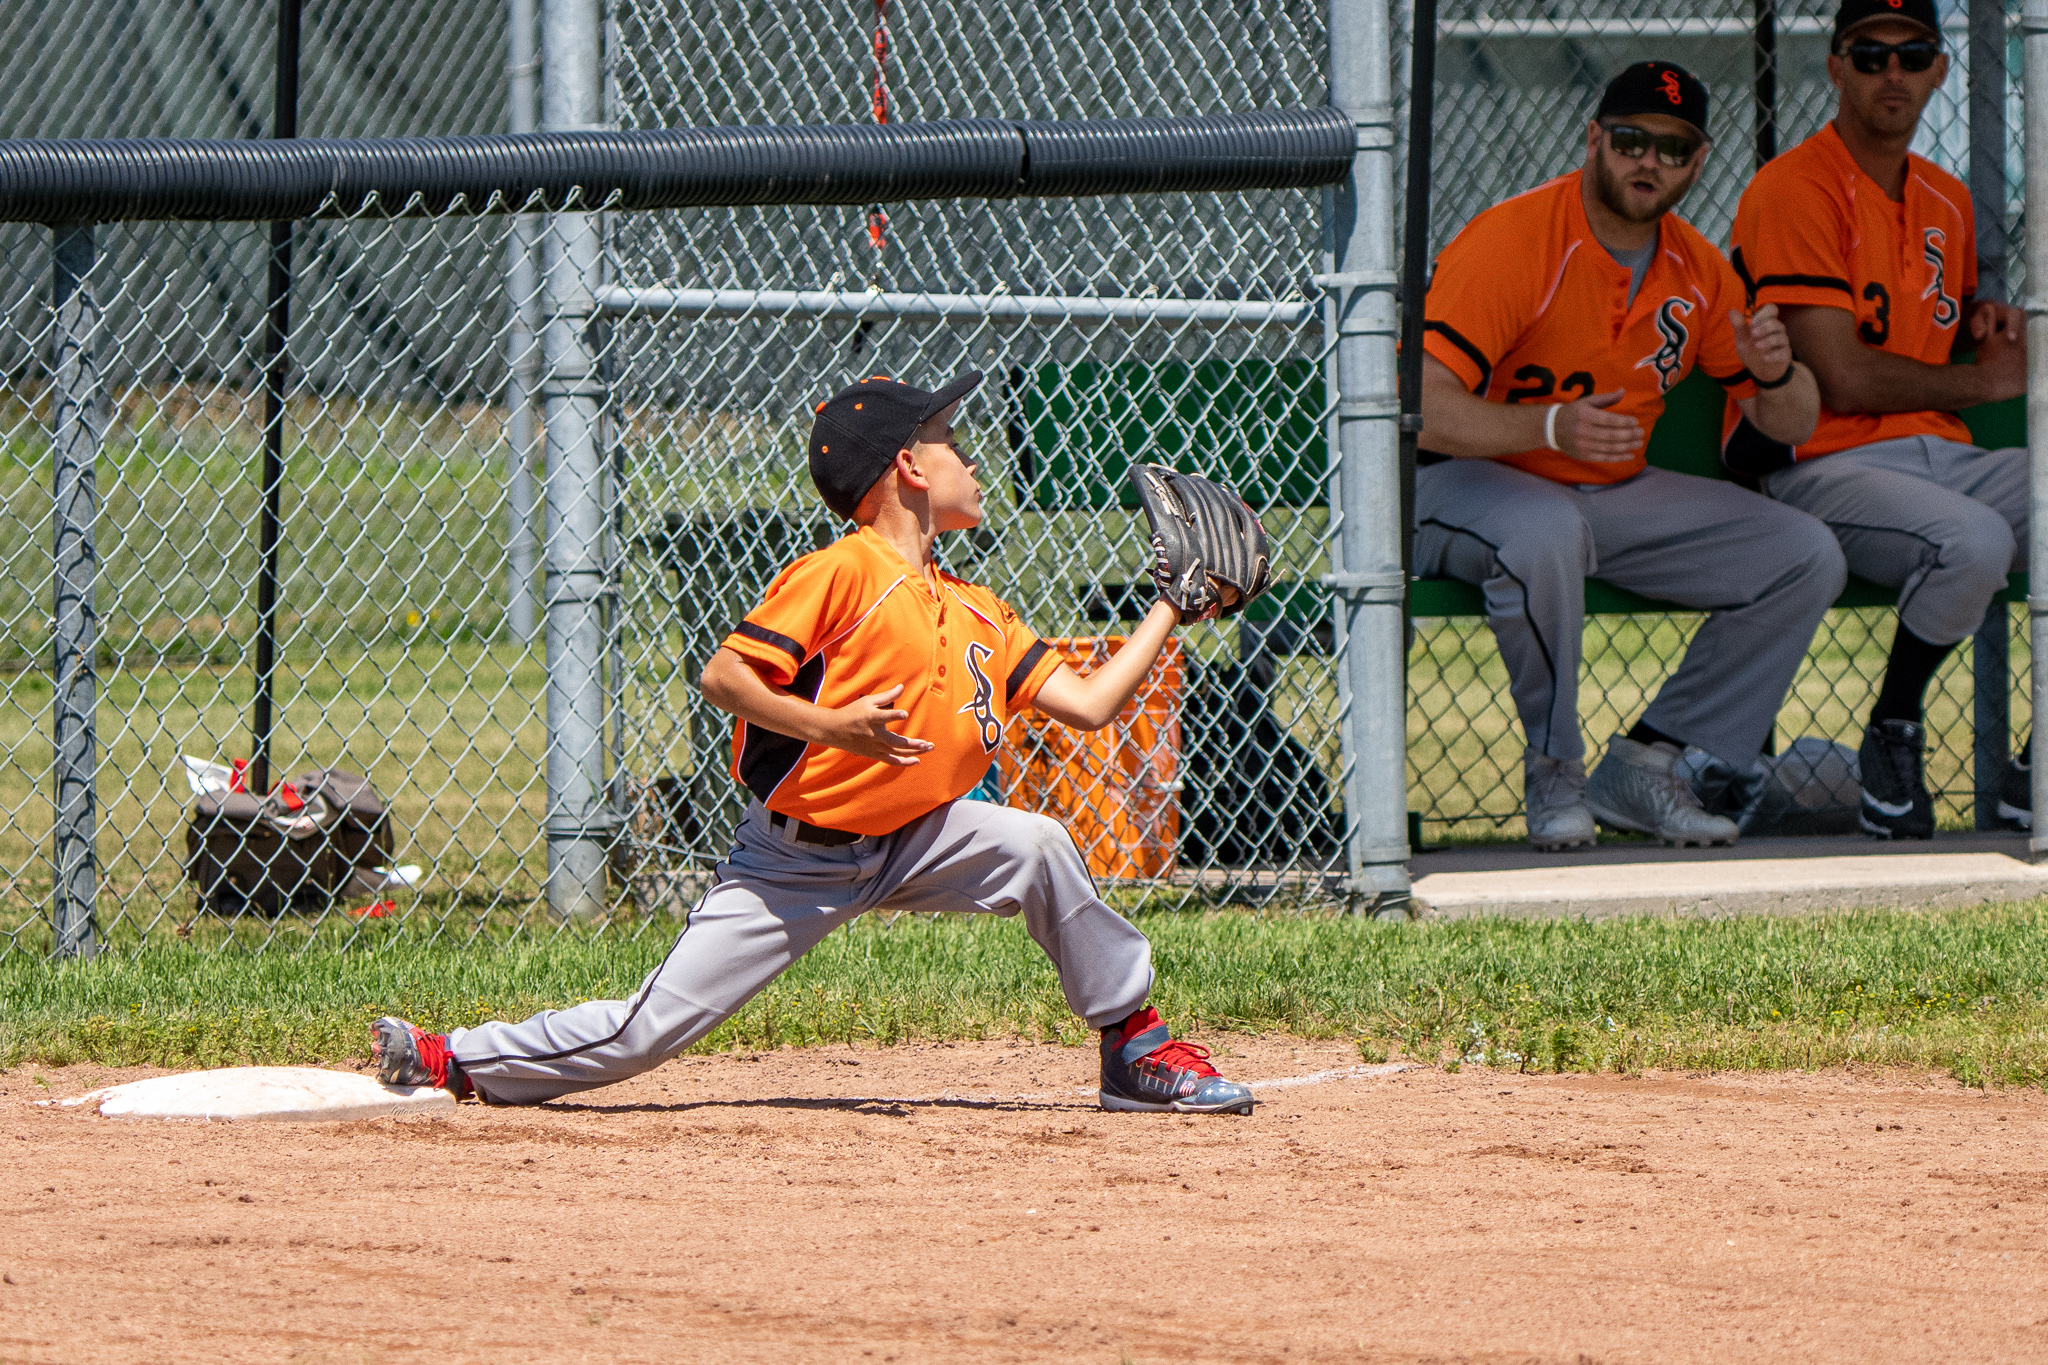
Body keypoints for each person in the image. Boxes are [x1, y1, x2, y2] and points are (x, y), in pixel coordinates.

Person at [369, 370, 1256, 1115]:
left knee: (1038, 843)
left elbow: (1094, 704)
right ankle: (453, 1057)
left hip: (917, 840)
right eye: (952, 440)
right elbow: (726, 678)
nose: (974, 458)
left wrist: (1170, 602)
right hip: (795, 862)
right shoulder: (844, 570)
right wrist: (830, 727)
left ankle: (1133, 1052)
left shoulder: (976, 606)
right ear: (908, 466)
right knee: (646, 1032)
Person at [1415, 60, 1843, 851]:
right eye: (1632, 138)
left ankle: (1650, 760)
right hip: (1461, 487)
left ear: (1699, 162)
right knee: (1543, 532)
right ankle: (1555, 774)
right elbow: (1421, 410)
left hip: (1604, 494)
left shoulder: (1696, 268)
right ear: (1593, 139)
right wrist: (1546, 430)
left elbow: (1792, 417)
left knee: (1803, 551)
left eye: (1673, 148)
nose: (1650, 160)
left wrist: (1778, 369)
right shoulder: (1514, 239)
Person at [1727, 0, 2029, 839]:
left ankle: (2035, 771)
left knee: (1986, 521)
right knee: (1972, 542)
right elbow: (1845, 378)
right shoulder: (1793, 187)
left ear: (1939, 69)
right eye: (1868, 55)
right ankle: (1892, 729)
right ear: (1834, 69)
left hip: (1941, 454)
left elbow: (1950, 325)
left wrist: (1985, 332)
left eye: (1912, 53)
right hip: (1818, 462)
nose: (1891, 72)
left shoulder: (1948, 200)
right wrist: (1989, 384)